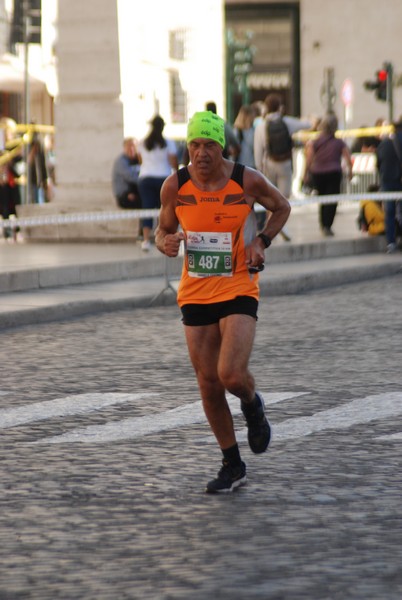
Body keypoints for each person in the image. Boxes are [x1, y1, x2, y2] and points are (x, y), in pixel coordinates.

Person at [155, 110, 291, 493]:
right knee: (209, 385)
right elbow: (162, 231)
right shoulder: (174, 186)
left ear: (222, 148)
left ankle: (252, 402)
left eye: (209, 146)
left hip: (237, 286)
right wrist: (164, 243)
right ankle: (232, 463)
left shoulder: (245, 179)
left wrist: (260, 241)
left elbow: (282, 206)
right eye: (194, 145)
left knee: (231, 374)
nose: (200, 154)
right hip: (195, 292)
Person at [254, 93, 312, 241]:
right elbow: (307, 125)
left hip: (269, 164)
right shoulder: (287, 122)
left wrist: (259, 169)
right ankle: (279, 225)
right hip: (285, 164)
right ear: (279, 106)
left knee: (269, 197)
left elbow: (258, 150)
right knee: (283, 197)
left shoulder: (261, 126)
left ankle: (272, 225)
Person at [304, 112, 352, 237]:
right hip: (334, 173)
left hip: (318, 173)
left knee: (322, 198)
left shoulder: (315, 142)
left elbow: (309, 158)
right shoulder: (339, 142)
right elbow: (347, 157)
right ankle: (327, 225)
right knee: (332, 200)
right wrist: (350, 172)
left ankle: (323, 224)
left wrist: (305, 173)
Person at [137, 115, 178, 251]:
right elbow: (174, 163)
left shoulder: (142, 143)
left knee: (146, 207)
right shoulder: (168, 143)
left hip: (146, 178)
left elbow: (140, 161)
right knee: (165, 209)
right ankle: (165, 237)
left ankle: (146, 239)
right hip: (163, 178)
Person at [375, 118, 402, 253]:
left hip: (388, 180)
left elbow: (378, 163)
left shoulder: (384, 143)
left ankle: (391, 242)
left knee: (389, 212)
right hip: (399, 180)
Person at [112, 137, 141, 210]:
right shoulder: (121, 161)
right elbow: (130, 177)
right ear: (124, 147)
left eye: (133, 146)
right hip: (124, 195)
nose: (131, 148)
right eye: (129, 146)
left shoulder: (138, 159)